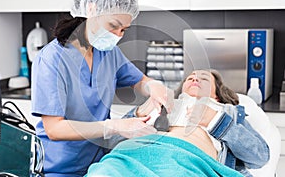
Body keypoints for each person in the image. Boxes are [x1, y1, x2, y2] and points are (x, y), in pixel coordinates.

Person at [31, 0, 174, 176]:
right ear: (92, 9)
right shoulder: (51, 59)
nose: (118, 35)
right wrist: (115, 126)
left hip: (100, 163)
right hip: (59, 168)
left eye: (123, 30)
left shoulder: (108, 53)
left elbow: (139, 81)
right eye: (113, 26)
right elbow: (54, 129)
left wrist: (154, 87)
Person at [96, 69, 269, 177]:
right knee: (104, 170)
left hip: (183, 159)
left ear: (217, 94)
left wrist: (216, 120)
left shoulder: (225, 112)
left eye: (204, 79)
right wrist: (139, 112)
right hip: (133, 153)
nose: (194, 79)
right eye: (190, 77)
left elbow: (260, 157)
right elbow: (110, 144)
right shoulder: (160, 104)